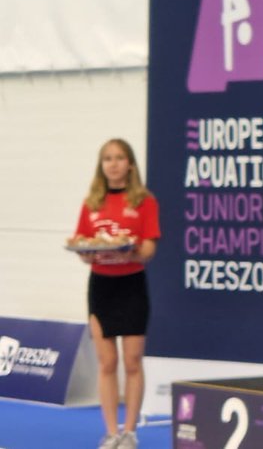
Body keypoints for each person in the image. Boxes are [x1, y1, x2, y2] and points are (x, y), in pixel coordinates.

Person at [73, 139, 160, 449]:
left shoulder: (144, 201)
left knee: (132, 360)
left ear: (130, 164)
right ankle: (111, 433)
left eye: (119, 158)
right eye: (107, 158)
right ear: (102, 165)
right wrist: (89, 251)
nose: (113, 164)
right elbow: (82, 246)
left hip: (132, 286)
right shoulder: (91, 202)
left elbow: (149, 249)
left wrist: (129, 249)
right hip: (101, 287)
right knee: (107, 362)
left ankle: (130, 432)